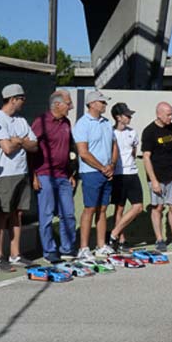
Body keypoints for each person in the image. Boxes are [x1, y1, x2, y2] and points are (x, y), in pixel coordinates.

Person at [0, 84, 37, 272]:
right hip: (5, 175)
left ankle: (15, 254)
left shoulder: (21, 120)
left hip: (21, 172)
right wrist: (19, 142)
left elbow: (34, 145)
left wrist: (19, 141)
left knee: (18, 214)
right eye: (22, 99)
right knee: (3, 215)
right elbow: (7, 148)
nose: (24, 102)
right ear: (13, 99)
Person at [30, 91, 77, 264]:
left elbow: (69, 148)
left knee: (68, 214)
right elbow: (31, 148)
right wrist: (34, 175)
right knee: (47, 215)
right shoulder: (40, 122)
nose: (71, 107)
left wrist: (71, 173)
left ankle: (67, 249)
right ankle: (49, 251)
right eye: (68, 103)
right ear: (57, 104)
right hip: (44, 175)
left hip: (63, 175)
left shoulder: (67, 122)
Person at [73, 89, 118, 259]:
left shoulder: (107, 123)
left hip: (107, 172)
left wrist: (111, 165)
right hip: (91, 172)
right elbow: (83, 153)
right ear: (92, 104)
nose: (105, 104)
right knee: (90, 209)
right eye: (102, 102)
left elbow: (114, 145)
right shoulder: (82, 124)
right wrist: (102, 168)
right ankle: (83, 248)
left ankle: (101, 245)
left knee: (103, 209)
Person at [142, 101, 172, 250]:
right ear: (159, 114)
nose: (171, 117)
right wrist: (154, 181)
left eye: (171, 114)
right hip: (157, 177)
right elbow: (146, 157)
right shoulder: (149, 131)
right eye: (168, 115)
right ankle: (159, 239)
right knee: (158, 207)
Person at [107, 102, 145, 250]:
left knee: (138, 207)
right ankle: (120, 241)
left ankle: (113, 234)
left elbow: (134, 152)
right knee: (119, 208)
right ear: (118, 117)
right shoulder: (110, 132)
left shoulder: (132, 132)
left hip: (132, 173)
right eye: (126, 115)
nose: (129, 117)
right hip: (118, 175)